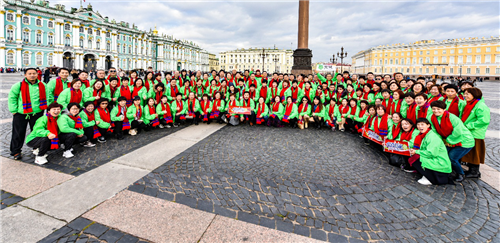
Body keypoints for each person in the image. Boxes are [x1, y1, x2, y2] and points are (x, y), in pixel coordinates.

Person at [429, 100, 474, 182]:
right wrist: (441, 141)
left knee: (452, 158)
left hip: (464, 140)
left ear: (444, 109)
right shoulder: (432, 117)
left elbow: (458, 132)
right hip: (448, 140)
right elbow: (435, 130)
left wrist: (448, 141)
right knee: (442, 155)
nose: (436, 111)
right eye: (434, 109)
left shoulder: (452, 118)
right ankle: (446, 171)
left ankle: (460, 173)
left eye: (438, 109)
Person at [9, 68, 48, 160]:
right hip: (21, 113)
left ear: (37, 74)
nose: (32, 75)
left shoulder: (42, 85)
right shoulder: (18, 85)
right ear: (25, 75)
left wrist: (47, 108)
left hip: (37, 112)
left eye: (34, 73)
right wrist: (14, 110)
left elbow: (47, 96)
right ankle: (16, 151)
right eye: (29, 73)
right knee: (18, 133)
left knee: (37, 131)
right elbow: (12, 98)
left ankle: (36, 147)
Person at [409, 118, 452, 185]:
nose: (420, 126)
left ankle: (430, 178)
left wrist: (416, 152)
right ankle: (427, 174)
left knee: (416, 158)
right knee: (413, 157)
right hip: (432, 157)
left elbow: (431, 153)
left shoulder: (432, 137)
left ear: (428, 125)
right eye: (418, 124)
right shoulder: (422, 135)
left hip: (439, 162)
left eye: (422, 124)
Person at [461, 88, 490, 178]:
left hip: (476, 133)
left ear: (475, 94)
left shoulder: (480, 105)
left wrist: (469, 125)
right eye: (465, 94)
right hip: (468, 132)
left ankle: (475, 171)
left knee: (475, 152)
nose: (465, 96)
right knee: (470, 152)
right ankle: (471, 169)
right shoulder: (469, 104)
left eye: (468, 94)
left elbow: (484, 120)